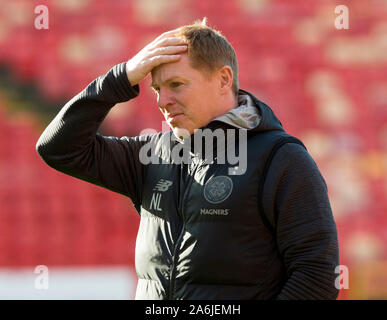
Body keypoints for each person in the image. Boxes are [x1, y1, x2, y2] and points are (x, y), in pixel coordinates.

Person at [36, 19, 340, 300]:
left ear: (223, 80)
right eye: (156, 88)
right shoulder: (151, 155)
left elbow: (316, 275)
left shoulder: (281, 158)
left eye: (176, 85)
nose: (161, 100)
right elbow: (59, 147)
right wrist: (122, 76)